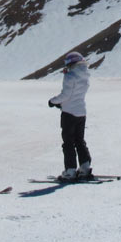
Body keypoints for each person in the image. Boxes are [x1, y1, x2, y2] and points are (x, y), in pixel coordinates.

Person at [48, 51, 93, 180]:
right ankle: (85, 168)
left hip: (69, 114)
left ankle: (70, 170)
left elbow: (66, 95)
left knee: (68, 142)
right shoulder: (85, 76)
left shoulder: (70, 76)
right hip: (81, 112)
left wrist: (53, 101)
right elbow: (75, 96)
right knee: (80, 140)